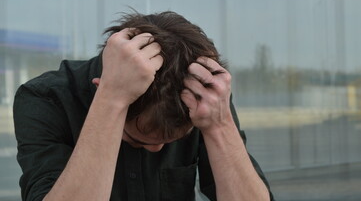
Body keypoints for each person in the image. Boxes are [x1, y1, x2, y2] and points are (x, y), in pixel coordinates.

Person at [13, 11, 274, 201]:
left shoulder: (203, 99)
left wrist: (219, 126)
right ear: (98, 86)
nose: (157, 149)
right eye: (137, 139)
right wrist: (111, 100)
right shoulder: (45, 97)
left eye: (171, 141)